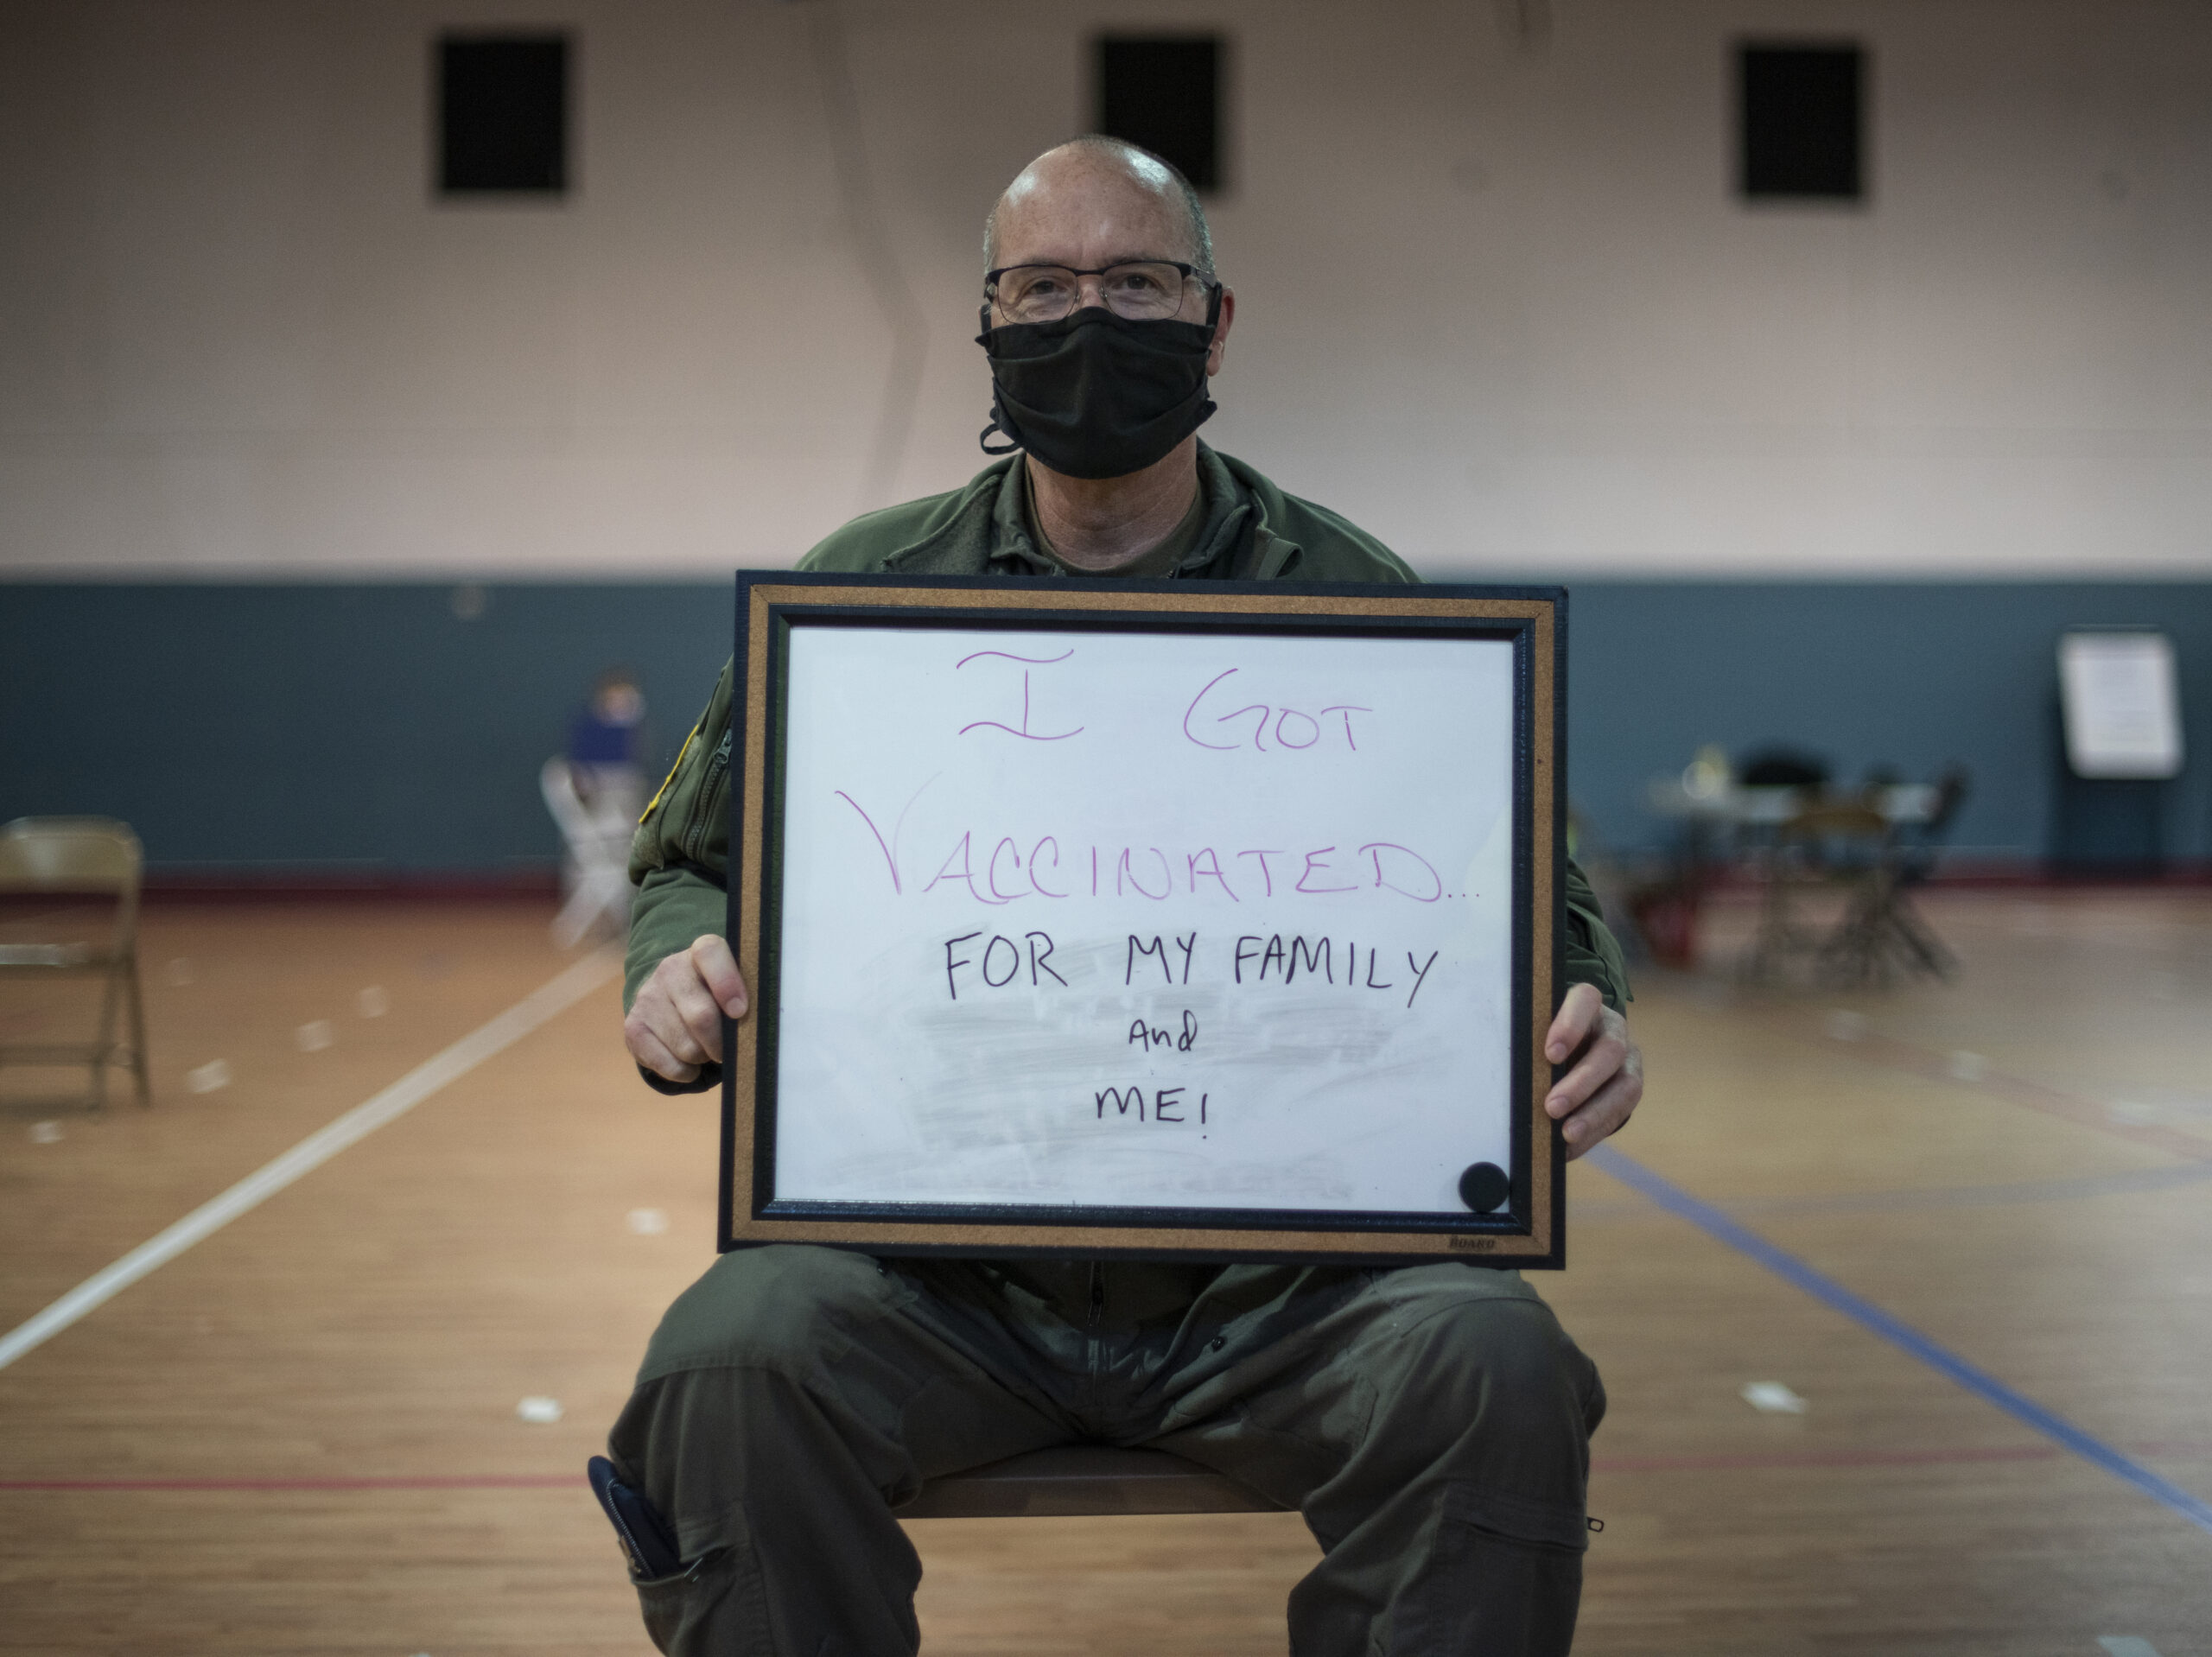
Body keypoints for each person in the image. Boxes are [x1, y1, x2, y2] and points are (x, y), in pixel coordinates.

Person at [607, 136, 1643, 1656]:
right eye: (1043, 286)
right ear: (987, 321)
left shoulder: (1366, 607)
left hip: (1285, 1288)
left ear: (1215, 320)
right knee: (724, 1360)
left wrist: (1589, 1001)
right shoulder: (859, 601)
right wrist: (679, 958)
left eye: (1137, 281)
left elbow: (1533, 900)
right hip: (934, 1277)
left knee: (1497, 1359)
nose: (1086, 321)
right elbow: (687, 858)